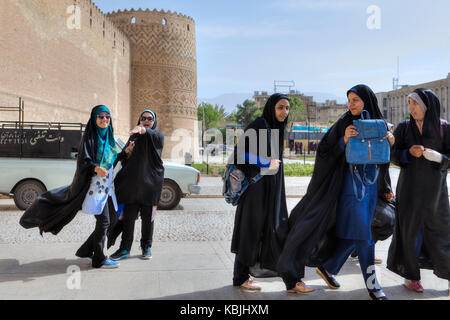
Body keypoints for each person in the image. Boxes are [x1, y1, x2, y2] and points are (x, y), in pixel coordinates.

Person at [277, 85, 394, 300]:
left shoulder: (380, 125)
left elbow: (383, 161)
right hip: (350, 189)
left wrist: (390, 143)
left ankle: (329, 267)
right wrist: (344, 141)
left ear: (367, 101)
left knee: (358, 232)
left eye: (356, 100)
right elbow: (323, 151)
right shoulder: (344, 123)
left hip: (370, 188)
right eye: (349, 99)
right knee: (364, 235)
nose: (351, 104)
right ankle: (373, 286)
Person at [20, 105, 121, 269]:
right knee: (104, 222)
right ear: (94, 119)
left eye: (107, 116)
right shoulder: (89, 138)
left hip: (107, 188)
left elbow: (110, 161)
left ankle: (86, 250)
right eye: (100, 116)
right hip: (92, 188)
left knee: (113, 219)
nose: (104, 119)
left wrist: (124, 153)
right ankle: (99, 259)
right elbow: (83, 162)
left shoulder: (109, 138)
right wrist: (96, 168)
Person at [387, 88, 450, 293]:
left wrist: (439, 157)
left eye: (415, 103)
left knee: (441, 234)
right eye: (409, 103)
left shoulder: (444, 128)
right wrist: (407, 153)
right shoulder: (405, 128)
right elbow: (392, 154)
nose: (411, 108)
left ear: (426, 106)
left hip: (435, 194)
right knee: (410, 233)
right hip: (409, 191)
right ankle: (411, 276)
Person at [230, 93, 294, 291]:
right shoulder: (259, 125)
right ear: (271, 108)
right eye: (280, 107)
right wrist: (266, 162)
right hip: (255, 189)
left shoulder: (277, 127)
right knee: (251, 229)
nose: (284, 112)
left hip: (270, 189)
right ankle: (240, 277)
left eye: (287, 108)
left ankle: (247, 275)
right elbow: (239, 153)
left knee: (266, 229)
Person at [109, 110, 164, 261]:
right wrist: (127, 151)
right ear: (140, 119)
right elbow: (125, 159)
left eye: (150, 118)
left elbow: (154, 137)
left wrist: (143, 129)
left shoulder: (157, 136)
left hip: (150, 186)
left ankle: (146, 247)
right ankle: (124, 249)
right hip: (132, 187)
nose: (146, 120)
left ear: (154, 121)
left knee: (148, 220)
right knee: (128, 219)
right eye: (143, 118)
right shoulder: (133, 137)